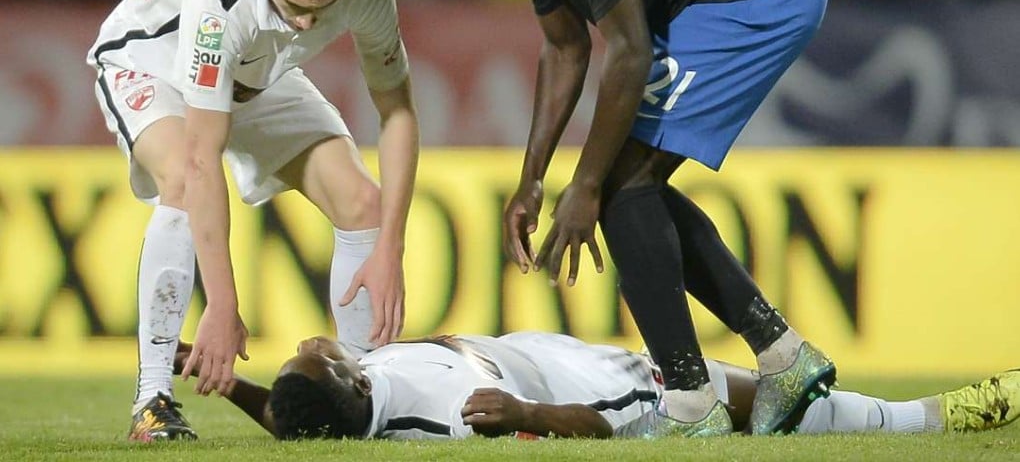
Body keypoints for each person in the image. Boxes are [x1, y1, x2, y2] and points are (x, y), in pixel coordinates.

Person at [419, 0, 836, 436]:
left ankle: (693, 403)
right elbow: (563, 50)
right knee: (624, 184)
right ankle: (779, 356)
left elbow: (629, 51)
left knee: (617, 186)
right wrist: (532, 180)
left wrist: (582, 186)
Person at [86, 0, 419, 442]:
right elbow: (200, 158)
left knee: (363, 203)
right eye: (292, 6)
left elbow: (399, 111)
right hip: (154, 61)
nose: (307, 21)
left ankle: (366, 394)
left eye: (321, 7)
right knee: (178, 182)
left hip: (254, 76)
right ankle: (153, 400)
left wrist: (391, 250)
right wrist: (223, 303)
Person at [169, 333, 1020, 440]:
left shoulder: (345, 404)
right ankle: (932, 420)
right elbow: (585, 426)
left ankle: (918, 417)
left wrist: (229, 385)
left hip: (557, 355)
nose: (319, 343)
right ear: (355, 384)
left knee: (766, 409)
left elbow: (300, 427)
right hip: (601, 386)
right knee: (766, 402)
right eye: (323, 356)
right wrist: (531, 413)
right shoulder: (452, 420)